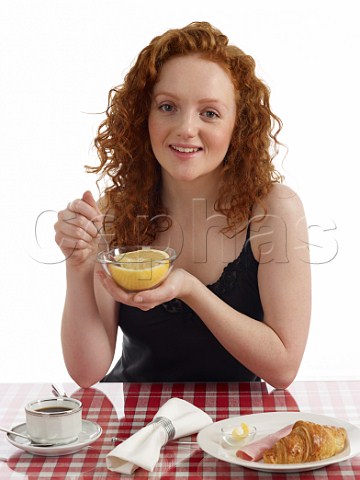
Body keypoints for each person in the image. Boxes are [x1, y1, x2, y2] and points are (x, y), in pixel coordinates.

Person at [54, 22, 311, 389]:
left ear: (237, 125)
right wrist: (78, 266)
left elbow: (283, 368)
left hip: (236, 430)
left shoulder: (273, 210)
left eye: (209, 113)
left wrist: (189, 289)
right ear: (144, 116)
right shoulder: (116, 209)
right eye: (168, 106)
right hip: (137, 427)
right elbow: (86, 371)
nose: (186, 128)